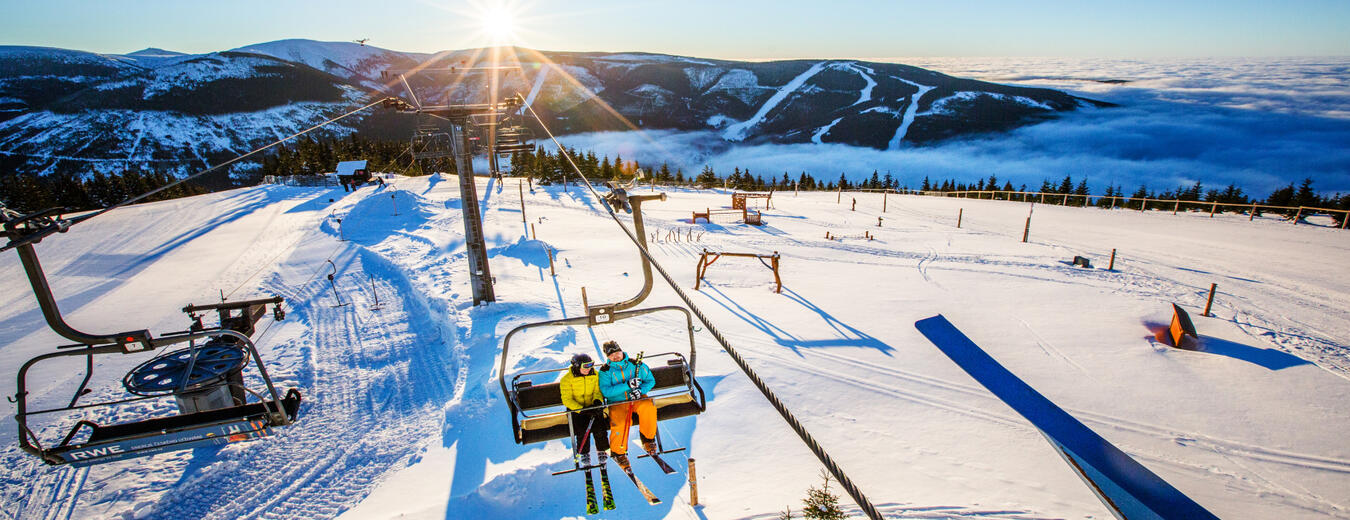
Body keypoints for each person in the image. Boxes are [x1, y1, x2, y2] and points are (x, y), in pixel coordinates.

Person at [597, 340, 656, 466]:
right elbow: (606, 391)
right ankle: (619, 453)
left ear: (621, 351)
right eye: (611, 355)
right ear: (607, 357)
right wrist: (627, 385)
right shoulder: (605, 371)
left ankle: (648, 439)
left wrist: (640, 391)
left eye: (617, 352)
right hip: (617, 402)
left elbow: (650, 380)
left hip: (636, 398)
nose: (615, 356)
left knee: (648, 407)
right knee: (620, 423)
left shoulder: (635, 365)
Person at [559, 353, 609, 458]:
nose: (588, 369)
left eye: (590, 365)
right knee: (581, 429)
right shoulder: (567, 380)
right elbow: (567, 400)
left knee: (600, 427)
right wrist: (581, 410)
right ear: (577, 366)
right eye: (585, 366)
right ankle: (584, 453)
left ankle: (602, 450)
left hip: (593, 407)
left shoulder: (595, 375)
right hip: (577, 409)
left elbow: (597, 392)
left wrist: (597, 401)